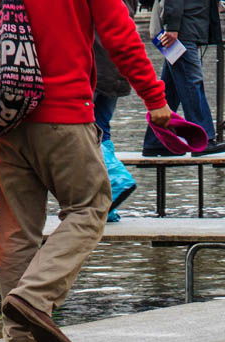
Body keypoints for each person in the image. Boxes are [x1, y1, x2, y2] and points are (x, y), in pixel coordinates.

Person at [0, 0, 172, 342]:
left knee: (15, 229)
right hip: (65, 114)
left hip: (5, 117)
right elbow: (120, 36)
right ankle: (33, 296)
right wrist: (154, 97)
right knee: (90, 207)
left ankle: (20, 337)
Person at [143, 0, 225, 156]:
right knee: (192, 83)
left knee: (172, 89)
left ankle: (156, 141)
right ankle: (204, 139)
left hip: (186, 28)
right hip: (183, 31)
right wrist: (173, 27)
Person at [94, 0, 140, 221]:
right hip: (116, 67)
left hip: (94, 66)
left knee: (85, 130)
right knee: (102, 129)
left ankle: (115, 179)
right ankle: (107, 206)